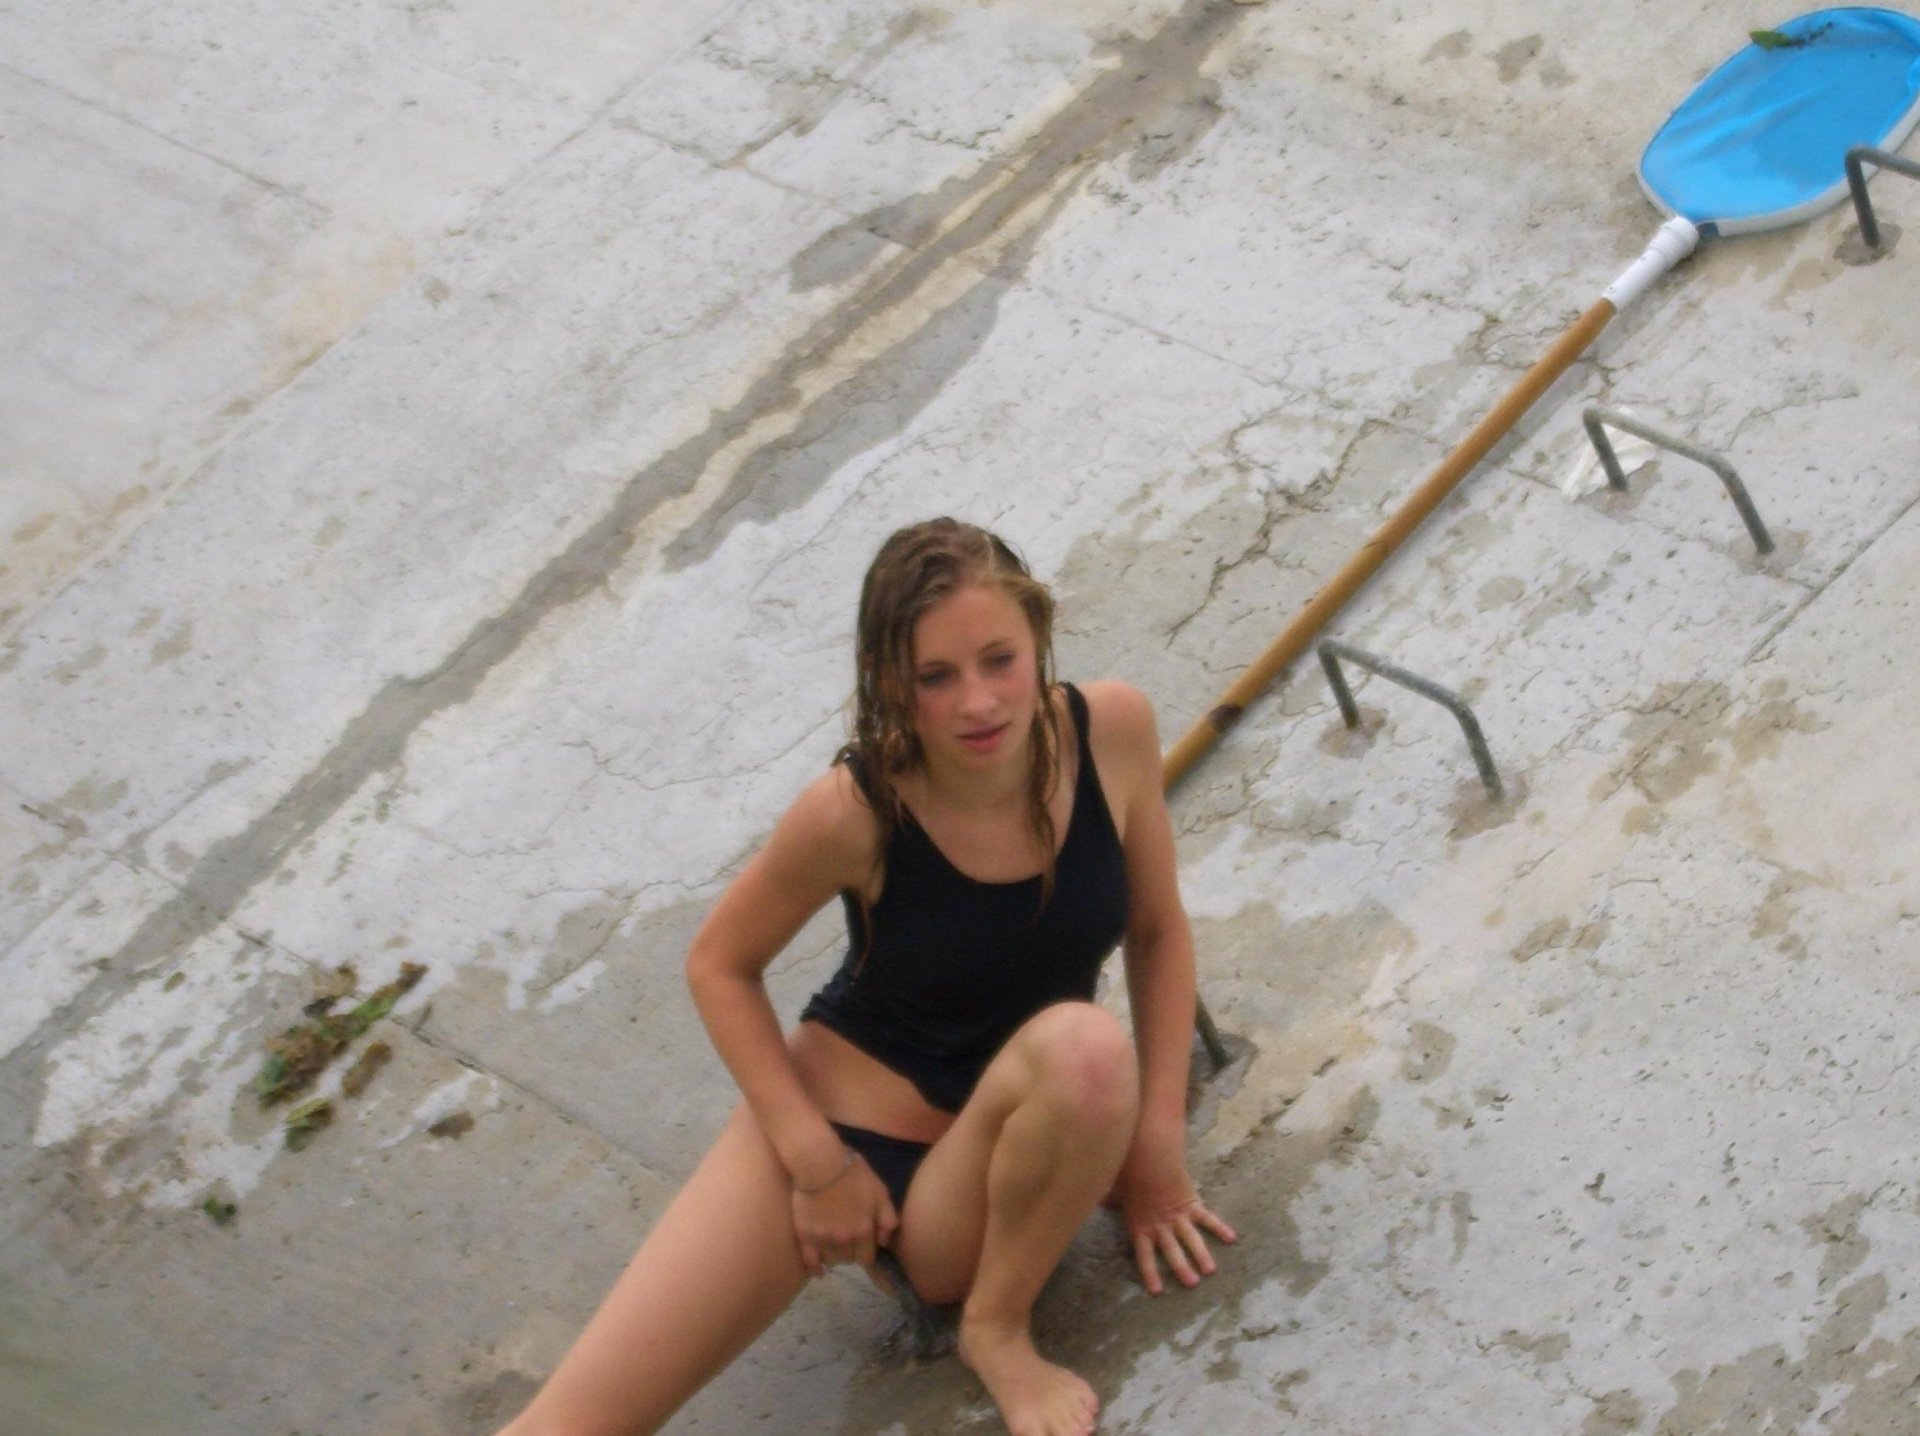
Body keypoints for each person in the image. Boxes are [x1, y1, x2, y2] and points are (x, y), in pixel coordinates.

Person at [498, 518, 1234, 1436]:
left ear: (1039, 634)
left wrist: (1156, 1146)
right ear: (890, 680)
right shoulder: (854, 810)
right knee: (571, 1425)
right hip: (842, 1122)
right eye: (935, 677)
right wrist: (816, 1165)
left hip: (996, 1154)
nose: (977, 703)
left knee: (1087, 1054)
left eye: (999, 660)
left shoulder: (1111, 730)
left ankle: (994, 1328)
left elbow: (1158, 933)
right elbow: (719, 964)